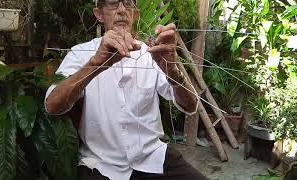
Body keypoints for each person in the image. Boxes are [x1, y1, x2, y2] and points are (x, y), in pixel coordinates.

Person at [45, 0, 207, 179]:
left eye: (128, 4)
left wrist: (173, 71)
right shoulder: (80, 53)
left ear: (135, 14)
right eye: (113, 3)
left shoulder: (152, 53)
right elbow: (52, 105)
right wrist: (95, 64)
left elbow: (191, 106)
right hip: (101, 164)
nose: (122, 10)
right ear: (99, 14)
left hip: (152, 157)